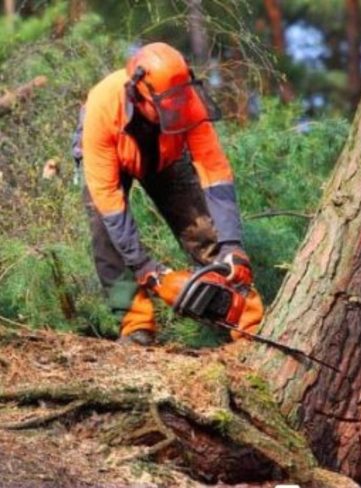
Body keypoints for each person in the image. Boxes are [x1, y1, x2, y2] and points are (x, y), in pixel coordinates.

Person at [72, 42, 264, 345]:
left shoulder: (188, 100)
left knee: (203, 228)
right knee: (106, 238)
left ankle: (247, 320)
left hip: (167, 156)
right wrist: (147, 269)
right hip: (112, 160)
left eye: (180, 100)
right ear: (139, 91)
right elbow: (108, 197)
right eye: (166, 103)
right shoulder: (103, 105)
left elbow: (214, 172)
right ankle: (136, 324)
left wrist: (232, 245)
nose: (175, 108)